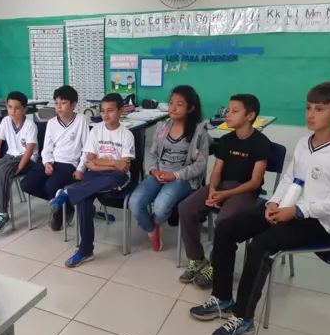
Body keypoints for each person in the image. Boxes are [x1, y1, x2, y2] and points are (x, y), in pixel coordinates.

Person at [189, 81, 330, 335]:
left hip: (317, 221)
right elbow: (290, 178)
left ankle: (243, 318)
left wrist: (297, 211)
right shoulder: (304, 143)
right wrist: (274, 203)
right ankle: (222, 298)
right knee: (226, 228)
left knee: (260, 245)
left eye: (320, 109)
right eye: (309, 107)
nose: (310, 114)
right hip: (287, 208)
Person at [178, 94, 271, 289]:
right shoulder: (227, 140)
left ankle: (215, 264)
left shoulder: (261, 143)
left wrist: (224, 195)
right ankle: (197, 259)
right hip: (221, 187)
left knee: (225, 221)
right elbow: (217, 170)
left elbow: (255, 183)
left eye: (234, 111)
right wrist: (212, 190)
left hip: (244, 192)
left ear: (250, 115)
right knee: (186, 208)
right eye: (228, 110)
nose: (228, 114)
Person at [50, 93, 135, 267]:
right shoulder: (96, 130)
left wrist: (99, 165)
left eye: (110, 111)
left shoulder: (126, 135)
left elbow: (124, 167)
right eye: (102, 111)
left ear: (121, 111)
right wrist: (110, 163)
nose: (105, 115)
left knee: (109, 180)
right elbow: (91, 159)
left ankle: (68, 192)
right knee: (84, 201)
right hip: (97, 175)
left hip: (117, 179)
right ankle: (85, 250)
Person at [129, 85, 209, 252]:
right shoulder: (163, 127)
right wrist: (153, 171)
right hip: (158, 174)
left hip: (182, 179)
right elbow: (152, 155)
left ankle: (157, 221)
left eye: (179, 104)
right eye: (171, 102)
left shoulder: (199, 132)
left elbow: (200, 165)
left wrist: (174, 175)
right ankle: (152, 229)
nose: (172, 107)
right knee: (135, 203)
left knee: (160, 206)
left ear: (191, 108)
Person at [20, 86, 88, 231]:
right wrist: (47, 163)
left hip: (69, 163)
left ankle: (59, 212)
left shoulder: (81, 120)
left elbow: (87, 149)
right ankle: (64, 202)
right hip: (52, 161)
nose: (59, 107)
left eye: (63, 103)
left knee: (51, 186)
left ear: (73, 104)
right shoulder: (51, 123)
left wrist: (81, 168)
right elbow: (47, 148)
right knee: (26, 184)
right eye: (56, 103)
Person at [0, 91, 39, 233]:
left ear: (25, 109)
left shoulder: (30, 125)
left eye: (17, 108)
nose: (12, 111)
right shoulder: (6, 121)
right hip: (10, 156)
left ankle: (3, 213)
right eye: (9, 107)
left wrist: (19, 168)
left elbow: (29, 151)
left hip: (25, 159)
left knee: (3, 173)